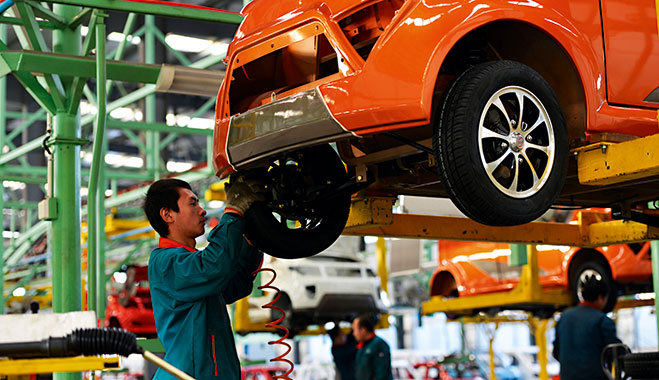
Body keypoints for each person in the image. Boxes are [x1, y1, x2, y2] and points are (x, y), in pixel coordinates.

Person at [144, 177, 264, 379]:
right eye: (192, 203)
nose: (202, 210)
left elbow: (234, 285)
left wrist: (250, 243)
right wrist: (234, 212)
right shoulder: (165, 263)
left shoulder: (195, 272)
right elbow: (213, 267)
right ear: (167, 215)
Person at [552, 277, 621, 380]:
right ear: (600, 297)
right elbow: (615, 353)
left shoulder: (563, 318)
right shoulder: (602, 320)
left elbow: (556, 352)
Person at [352, 314, 394, 380]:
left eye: (355, 330)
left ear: (363, 330)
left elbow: (381, 373)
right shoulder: (362, 346)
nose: (353, 334)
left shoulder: (379, 344)